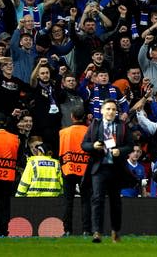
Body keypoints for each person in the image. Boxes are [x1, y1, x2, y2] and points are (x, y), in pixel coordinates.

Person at [81, 99, 134, 243]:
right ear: (102, 110)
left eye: (113, 109)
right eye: (108, 109)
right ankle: (97, 232)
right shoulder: (94, 125)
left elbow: (130, 145)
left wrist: (120, 151)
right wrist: (94, 146)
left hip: (116, 169)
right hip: (99, 168)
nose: (111, 112)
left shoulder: (122, 126)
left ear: (116, 112)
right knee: (97, 199)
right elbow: (84, 145)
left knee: (115, 201)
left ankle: (115, 232)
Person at [59, 110, 91, 236]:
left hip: (68, 168)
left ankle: (67, 230)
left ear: (72, 117)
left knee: (68, 201)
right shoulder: (89, 131)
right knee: (86, 201)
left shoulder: (63, 132)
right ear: (85, 117)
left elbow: (61, 154)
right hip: (86, 170)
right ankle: (86, 230)